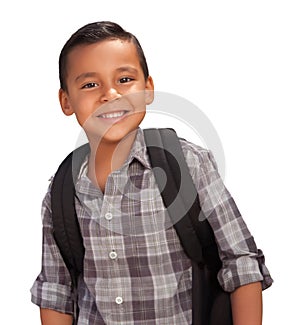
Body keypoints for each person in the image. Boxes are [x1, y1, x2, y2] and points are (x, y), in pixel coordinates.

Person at [31, 21, 273, 325]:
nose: (110, 94)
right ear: (66, 101)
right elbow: (57, 290)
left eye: (124, 79)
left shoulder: (188, 164)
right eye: (90, 84)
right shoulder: (62, 192)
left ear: (148, 89)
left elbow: (241, 263)